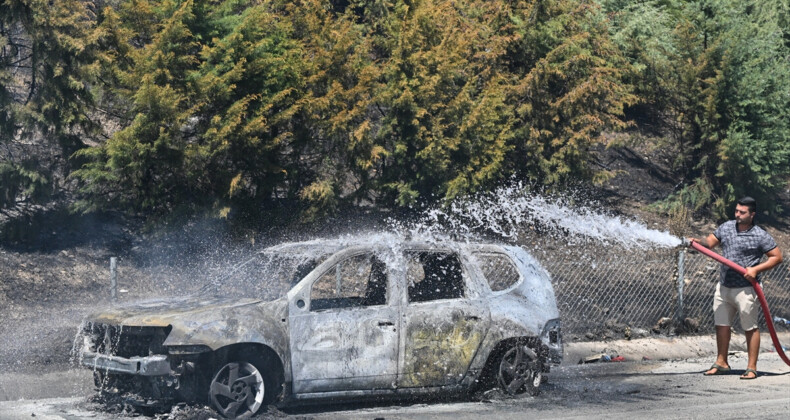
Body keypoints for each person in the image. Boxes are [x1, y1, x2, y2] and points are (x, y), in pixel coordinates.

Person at [688, 196, 783, 379]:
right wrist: (697, 242)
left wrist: (755, 269)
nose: (737, 214)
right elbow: (710, 243)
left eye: (742, 212)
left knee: (750, 327)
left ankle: (751, 367)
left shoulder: (760, 235)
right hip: (724, 286)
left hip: (746, 289)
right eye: (736, 211)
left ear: (752, 214)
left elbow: (776, 257)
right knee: (721, 325)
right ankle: (722, 362)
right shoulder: (727, 227)